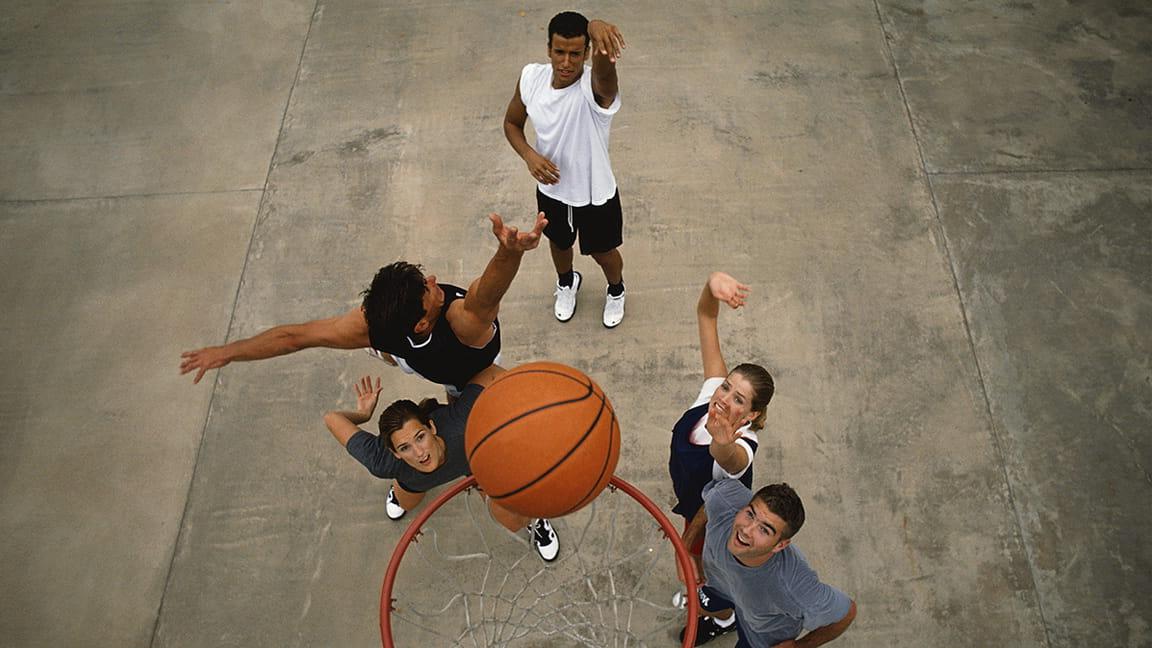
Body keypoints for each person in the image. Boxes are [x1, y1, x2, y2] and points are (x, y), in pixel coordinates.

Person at [179, 212, 546, 396]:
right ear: (420, 323)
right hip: (433, 358)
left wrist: (508, 252)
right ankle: (400, 360)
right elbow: (294, 337)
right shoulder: (389, 324)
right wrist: (229, 351)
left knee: (482, 402)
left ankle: (403, 362)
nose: (435, 280)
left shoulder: (404, 321)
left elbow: (486, 294)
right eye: (428, 289)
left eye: (424, 278)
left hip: (445, 359)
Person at [323, 366, 559, 561]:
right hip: (415, 480)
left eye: (420, 437)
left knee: (512, 518)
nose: (419, 453)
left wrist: (526, 399)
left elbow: (490, 374)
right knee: (405, 500)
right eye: (405, 448)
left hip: (474, 464)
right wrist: (362, 415)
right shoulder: (381, 462)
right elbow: (333, 419)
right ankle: (400, 491)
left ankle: (534, 520)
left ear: (431, 427)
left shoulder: (464, 422)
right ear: (394, 453)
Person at [503, 11, 628, 328]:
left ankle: (616, 290)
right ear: (548, 49)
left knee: (604, 252)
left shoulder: (592, 87)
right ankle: (566, 282)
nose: (567, 62)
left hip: (594, 192)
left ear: (586, 53)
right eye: (559, 52)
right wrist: (530, 156)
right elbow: (512, 123)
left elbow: (605, 79)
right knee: (558, 244)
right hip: (552, 189)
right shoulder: (531, 78)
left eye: (576, 54)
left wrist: (597, 29)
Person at [670, 272, 775, 574]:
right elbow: (706, 315)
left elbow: (730, 459)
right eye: (727, 387)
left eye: (739, 400)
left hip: (714, 519)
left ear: (752, 414)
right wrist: (710, 285)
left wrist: (687, 543)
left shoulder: (744, 444)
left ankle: (717, 612)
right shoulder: (711, 393)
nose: (725, 398)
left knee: (709, 569)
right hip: (692, 498)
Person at [678, 479, 857, 646]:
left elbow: (847, 613)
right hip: (719, 582)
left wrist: (799, 646)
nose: (746, 530)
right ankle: (725, 621)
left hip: (759, 632)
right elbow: (710, 502)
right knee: (704, 606)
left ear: (780, 545)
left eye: (764, 529)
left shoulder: (795, 585)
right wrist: (684, 548)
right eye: (750, 514)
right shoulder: (727, 498)